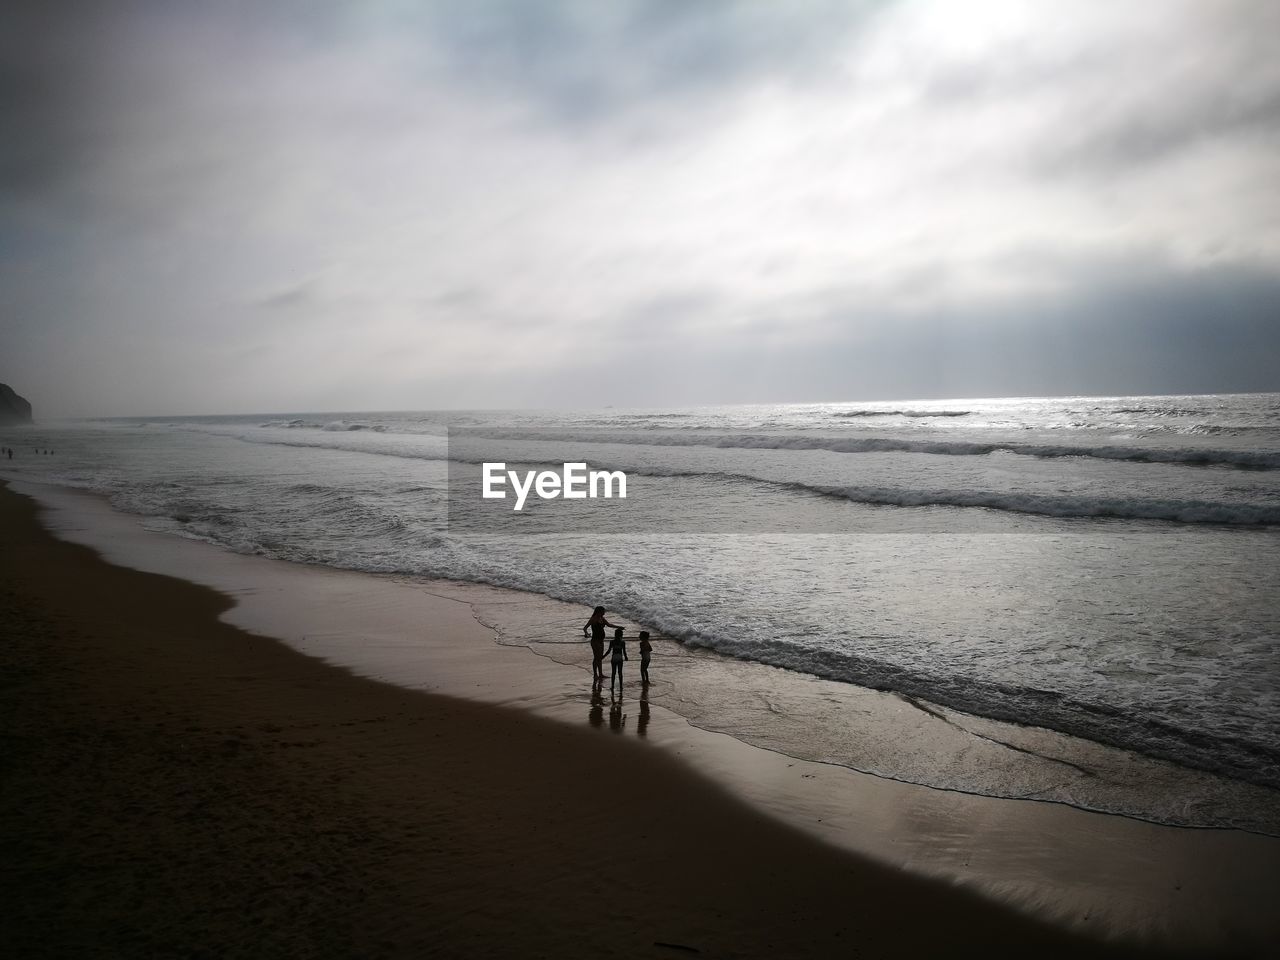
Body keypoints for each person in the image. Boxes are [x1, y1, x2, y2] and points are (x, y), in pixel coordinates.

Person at [583, 606, 620, 683]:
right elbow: (585, 628)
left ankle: (600, 674)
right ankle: (595, 674)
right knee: (596, 658)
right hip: (595, 641)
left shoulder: (602, 618)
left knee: (599, 658)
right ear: (599, 611)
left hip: (601, 641)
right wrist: (587, 634)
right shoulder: (593, 619)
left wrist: (619, 627)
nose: (604, 612)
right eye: (603, 611)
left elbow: (609, 625)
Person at [604, 627, 628, 692]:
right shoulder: (622, 642)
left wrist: (603, 656)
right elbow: (624, 651)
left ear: (615, 634)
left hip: (614, 657)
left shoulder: (612, 642)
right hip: (620, 657)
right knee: (620, 673)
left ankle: (612, 686)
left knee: (613, 673)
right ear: (621, 635)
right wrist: (626, 657)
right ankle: (621, 686)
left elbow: (609, 651)